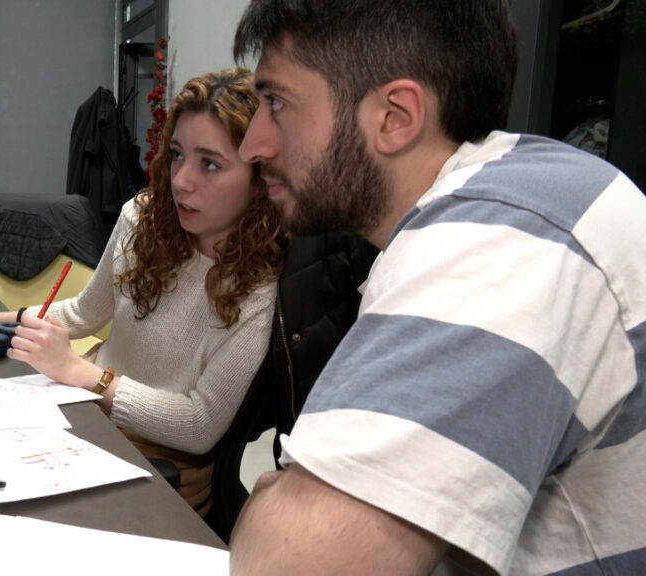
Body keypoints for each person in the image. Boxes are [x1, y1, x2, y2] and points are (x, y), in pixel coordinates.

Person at [228, 1, 646, 575]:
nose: (252, 145)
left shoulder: (505, 236)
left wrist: (278, 496)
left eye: (276, 103)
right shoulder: (512, 199)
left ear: (395, 117)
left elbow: (290, 562)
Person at [0, 67, 289, 516]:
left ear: (259, 178)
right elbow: (82, 313)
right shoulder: (144, 218)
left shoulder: (260, 287)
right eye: (176, 155)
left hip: (162, 467)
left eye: (209, 163)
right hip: (87, 414)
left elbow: (198, 425)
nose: (180, 181)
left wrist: (83, 373)